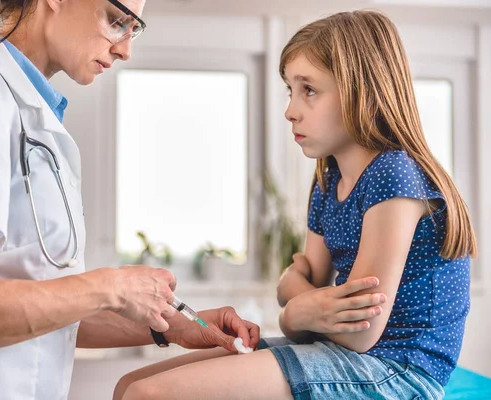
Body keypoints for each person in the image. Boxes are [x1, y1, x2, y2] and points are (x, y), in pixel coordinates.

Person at [0, 0, 260, 399]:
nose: (125, 49)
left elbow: (48, 308)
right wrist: (112, 286)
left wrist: (170, 326)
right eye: (117, 20)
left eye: (133, 29)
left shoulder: (37, 122)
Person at [114, 10, 478, 400]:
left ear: (362, 90)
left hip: (399, 372)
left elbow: (360, 330)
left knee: (148, 396)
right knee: (128, 386)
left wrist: (293, 306)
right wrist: (299, 301)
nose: (291, 109)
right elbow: (309, 304)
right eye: (290, 90)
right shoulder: (328, 179)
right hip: (345, 354)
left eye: (309, 90)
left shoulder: (394, 174)